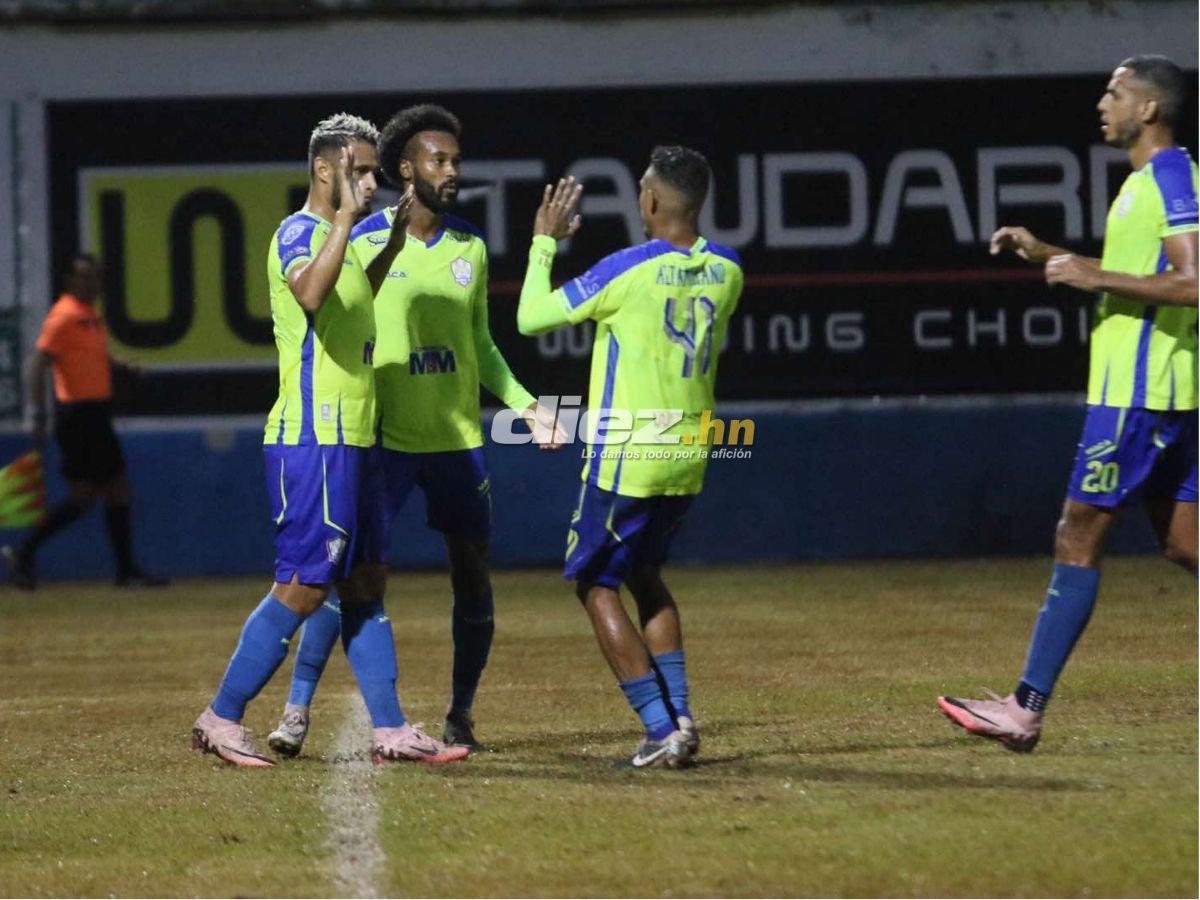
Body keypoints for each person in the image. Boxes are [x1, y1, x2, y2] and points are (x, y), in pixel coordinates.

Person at [267, 104, 560, 757]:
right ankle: (295, 708)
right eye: (439, 160)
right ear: (405, 169)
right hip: (383, 442)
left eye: (456, 161)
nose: (452, 171)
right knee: (349, 579)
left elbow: (481, 345)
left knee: (473, 574)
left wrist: (527, 404)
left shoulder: (471, 249)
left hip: (456, 441)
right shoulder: (362, 241)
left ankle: (461, 713)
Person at [191, 112, 467, 768]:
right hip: (312, 439)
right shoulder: (298, 232)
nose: (373, 181)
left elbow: (349, 302)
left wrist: (392, 243)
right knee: (305, 585)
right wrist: (348, 220)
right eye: (362, 169)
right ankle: (220, 716)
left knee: (368, 581)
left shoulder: (347, 239)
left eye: (373, 170)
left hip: (359, 438)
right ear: (325, 170)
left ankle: (392, 730)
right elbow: (312, 293)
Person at [939, 55, 1197, 752]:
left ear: (1149, 109)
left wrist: (1086, 272)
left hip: (1138, 398)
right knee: (1184, 542)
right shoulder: (1148, 183)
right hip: (1168, 393)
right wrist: (1048, 253)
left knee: (1076, 532)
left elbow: (1193, 281)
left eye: (1115, 91)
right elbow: (1136, 278)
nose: (1101, 102)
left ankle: (1024, 707)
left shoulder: (1171, 173)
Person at [515, 147, 744, 768]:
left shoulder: (627, 268)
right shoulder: (729, 269)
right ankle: (682, 716)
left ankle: (658, 726)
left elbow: (531, 317)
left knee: (594, 581)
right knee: (645, 574)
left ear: (650, 201)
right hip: (688, 455)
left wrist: (544, 243)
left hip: (628, 459)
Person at [2, 253, 164, 590]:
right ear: (70, 281)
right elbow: (37, 363)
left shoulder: (89, 317)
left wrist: (123, 366)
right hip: (78, 416)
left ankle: (122, 570)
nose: (93, 284)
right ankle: (27, 553)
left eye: (97, 278)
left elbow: (95, 357)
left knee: (105, 492)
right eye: (85, 277)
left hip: (95, 413)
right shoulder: (63, 316)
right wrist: (36, 412)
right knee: (96, 493)